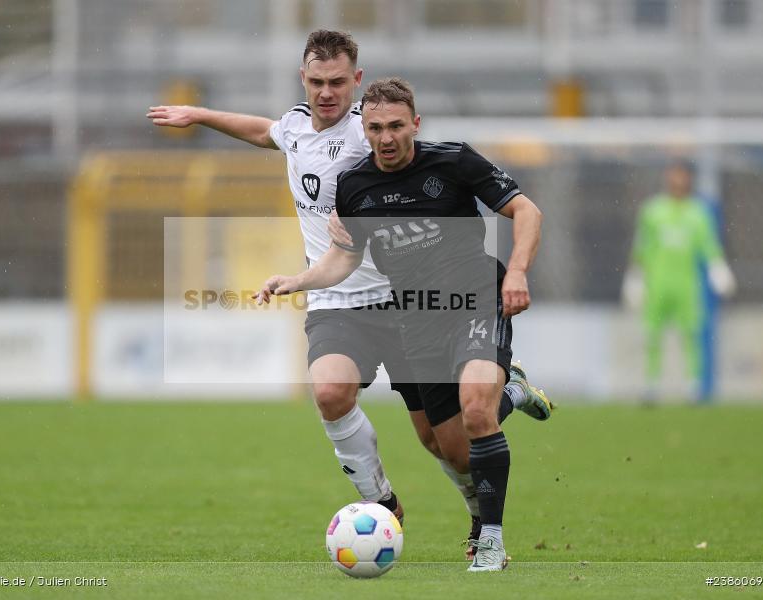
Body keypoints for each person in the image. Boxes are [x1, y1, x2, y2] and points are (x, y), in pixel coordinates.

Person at [148, 30, 550, 557]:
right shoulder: (298, 126)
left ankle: (483, 499)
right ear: (303, 79)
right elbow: (263, 131)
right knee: (330, 391)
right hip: (337, 298)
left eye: (337, 82)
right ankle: (381, 502)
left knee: (444, 441)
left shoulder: (374, 130)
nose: (326, 93)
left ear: (357, 81)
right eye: (316, 81)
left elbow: (422, 162)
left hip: (406, 299)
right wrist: (199, 115)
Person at [255, 77, 544, 572]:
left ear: (415, 124)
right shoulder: (355, 187)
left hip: (475, 299)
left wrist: (516, 272)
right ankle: (512, 392)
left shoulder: (454, 161)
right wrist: (298, 280)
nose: (386, 138)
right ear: (364, 130)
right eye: (375, 129)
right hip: (416, 316)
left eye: (395, 126)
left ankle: (491, 541)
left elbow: (526, 210)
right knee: (450, 447)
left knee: (477, 412)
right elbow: (345, 259)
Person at [622, 161, 735, 401]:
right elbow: (642, 245)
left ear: (690, 179)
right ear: (667, 177)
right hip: (657, 283)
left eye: (683, 176)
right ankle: (651, 385)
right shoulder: (653, 210)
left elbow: (708, 244)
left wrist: (718, 267)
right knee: (652, 334)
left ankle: (694, 386)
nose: (678, 180)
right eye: (675, 175)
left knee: (692, 334)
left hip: (687, 284)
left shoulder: (698, 213)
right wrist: (635, 276)